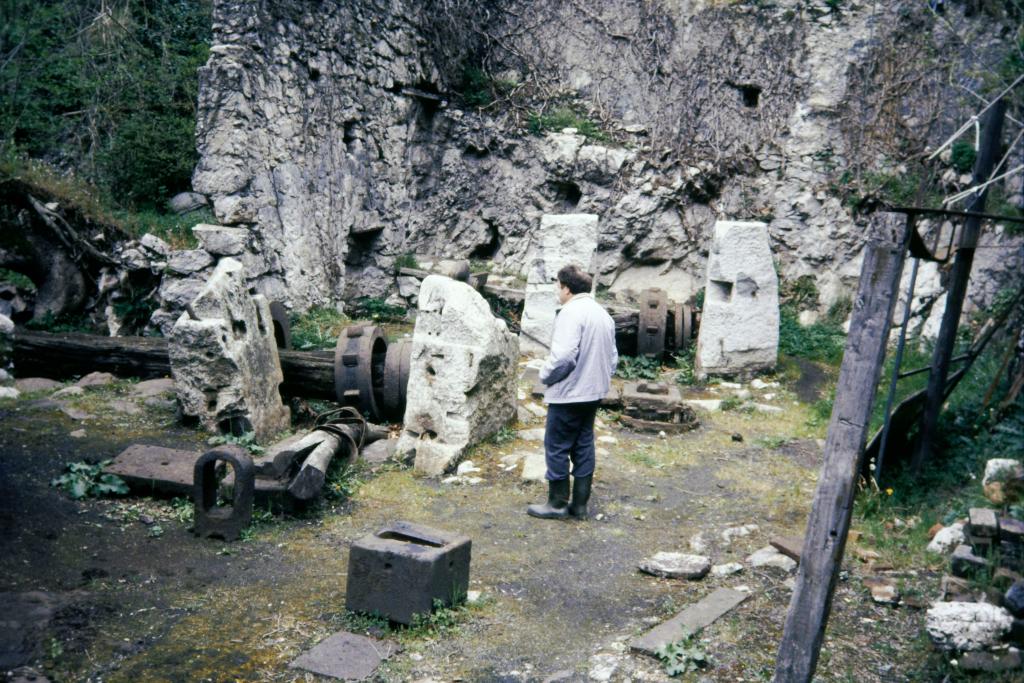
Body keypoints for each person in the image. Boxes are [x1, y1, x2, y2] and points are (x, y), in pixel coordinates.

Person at [527, 263, 617, 520]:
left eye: (559, 286)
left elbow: (564, 356)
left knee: (556, 446)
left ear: (566, 288)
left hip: (569, 394)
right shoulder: (603, 315)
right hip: (593, 393)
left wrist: (545, 375)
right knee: (583, 444)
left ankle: (556, 504)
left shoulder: (569, 312)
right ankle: (579, 505)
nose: (558, 291)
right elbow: (613, 359)